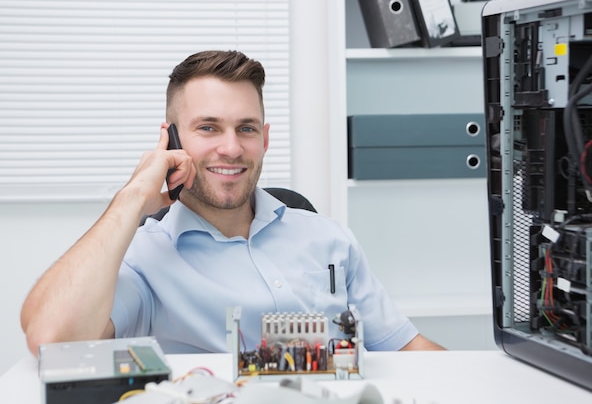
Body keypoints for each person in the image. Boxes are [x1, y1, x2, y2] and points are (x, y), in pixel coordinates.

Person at [20, 50, 445, 357]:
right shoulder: (143, 258)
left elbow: (406, 348)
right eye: (208, 127)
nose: (231, 148)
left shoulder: (329, 237)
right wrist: (132, 196)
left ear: (265, 138)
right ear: (172, 139)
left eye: (246, 128)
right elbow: (51, 340)